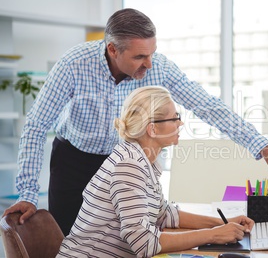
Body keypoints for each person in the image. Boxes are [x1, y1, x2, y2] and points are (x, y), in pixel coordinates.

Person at [2, 8, 268, 236]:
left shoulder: (158, 67)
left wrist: (262, 147)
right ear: (112, 49)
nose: (149, 63)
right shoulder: (73, 65)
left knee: (125, 240)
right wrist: (28, 194)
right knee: (71, 240)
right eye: (139, 57)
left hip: (123, 164)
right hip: (74, 161)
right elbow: (37, 126)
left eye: (152, 53)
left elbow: (208, 106)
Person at [57, 86, 254, 257]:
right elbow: (144, 244)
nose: (180, 123)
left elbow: (163, 214)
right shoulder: (129, 165)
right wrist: (214, 235)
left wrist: (221, 223)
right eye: (175, 118)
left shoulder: (143, 160)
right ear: (152, 129)